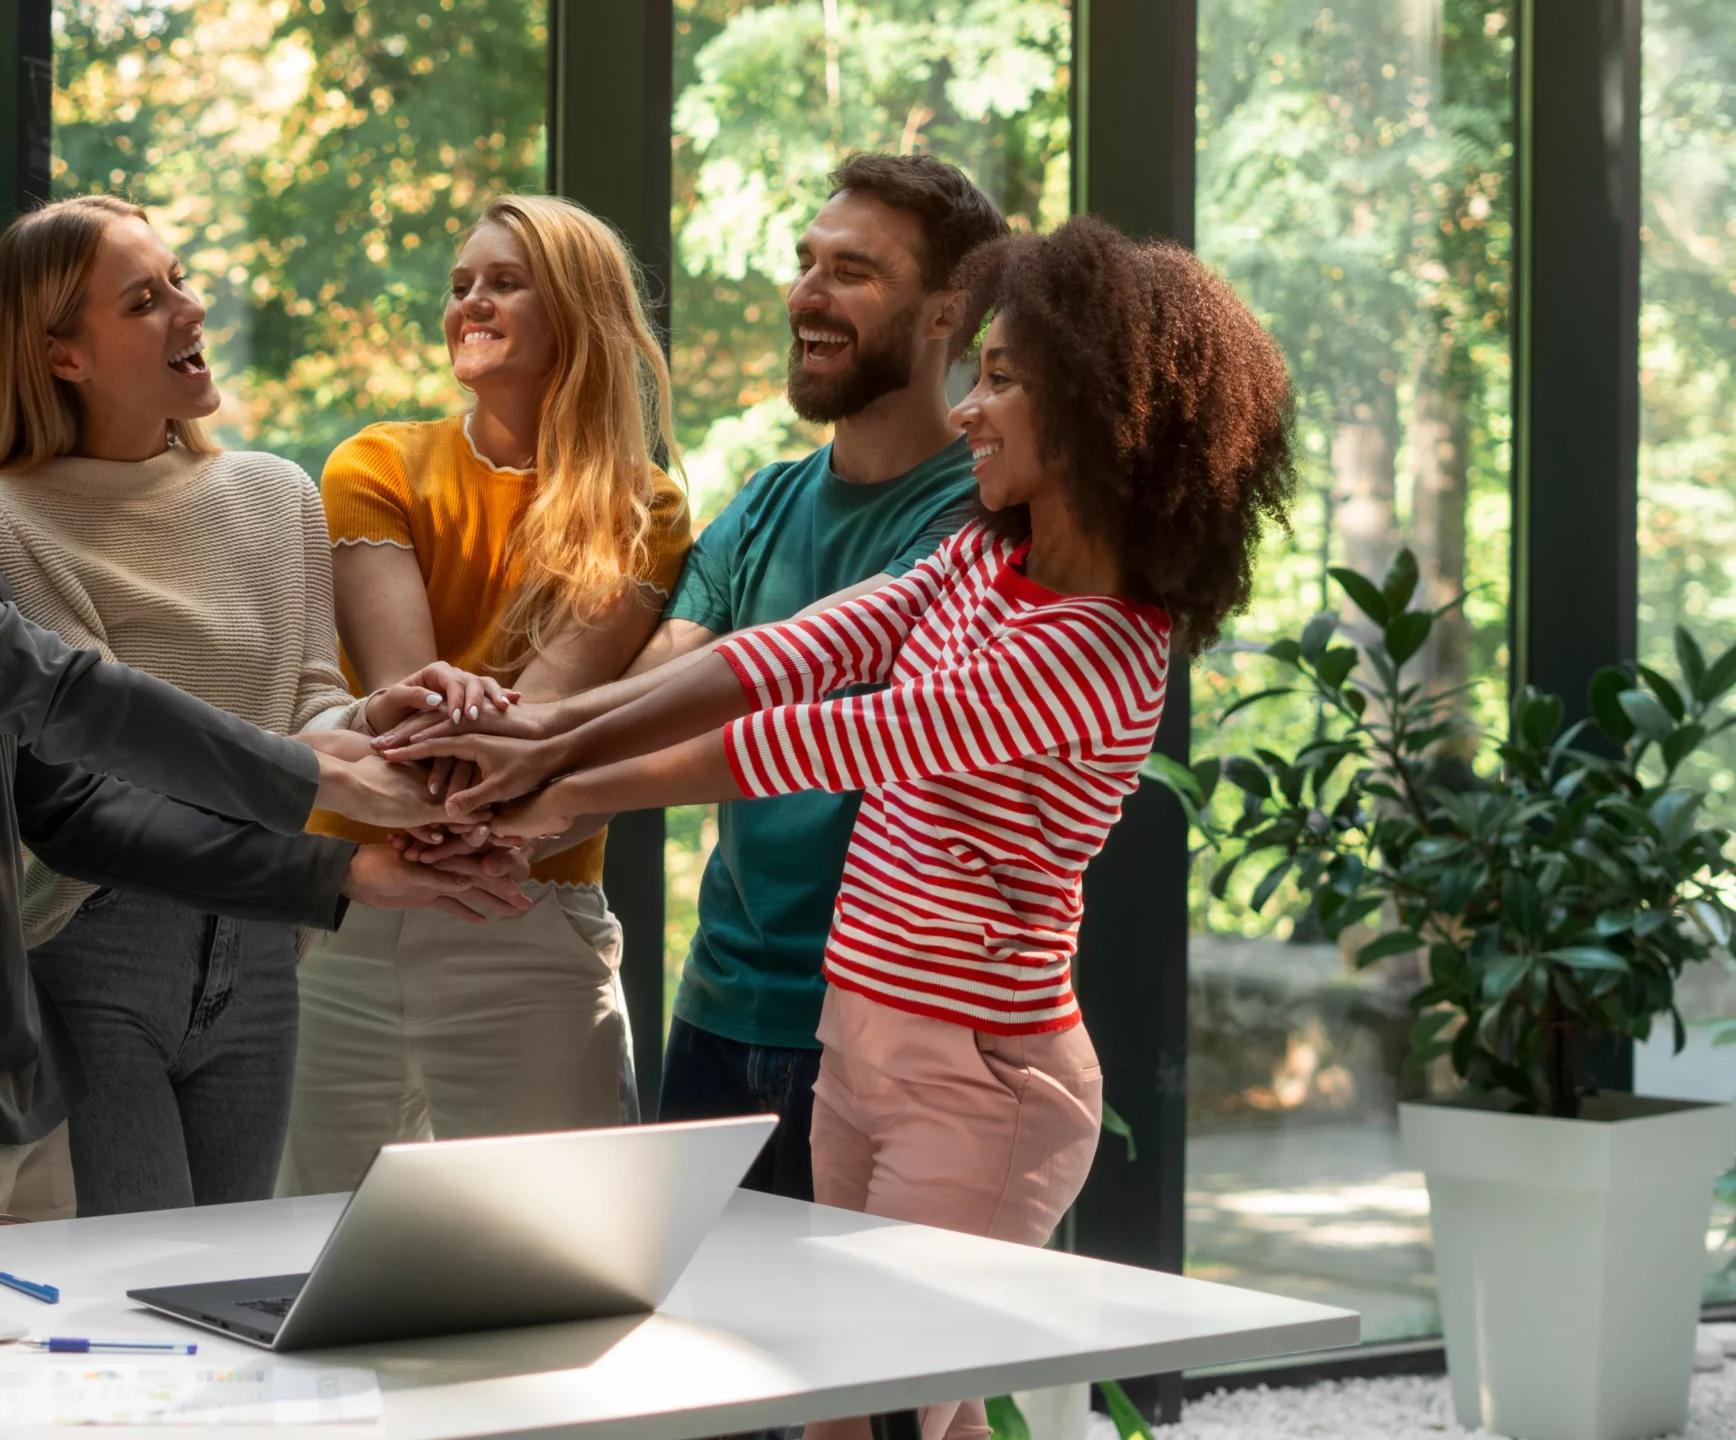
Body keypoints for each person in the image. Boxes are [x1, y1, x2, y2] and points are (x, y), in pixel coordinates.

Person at [391, 216, 1296, 1440]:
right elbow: (803, 649)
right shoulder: (983, 558)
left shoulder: (1097, 643)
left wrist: (556, 782)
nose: (972, 407)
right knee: (877, 1411)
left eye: (1006, 379)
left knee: (875, 1418)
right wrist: (560, 733)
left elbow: (841, 736)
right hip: (858, 1042)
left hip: (976, 1084)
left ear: (1098, 412)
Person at [0, 181, 526, 1232]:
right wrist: (316, 775)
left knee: (102, 1373)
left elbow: (71, 809)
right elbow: (60, 696)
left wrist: (347, 867)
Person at [0, 197, 513, 1216]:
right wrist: (328, 777)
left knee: (233, 1275)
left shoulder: (273, 493)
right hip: (96, 946)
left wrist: (387, 718)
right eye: (144, 299)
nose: (189, 309)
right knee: (135, 1291)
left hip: (262, 948)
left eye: (181, 278)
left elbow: (307, 697)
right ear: (64, 355)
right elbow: (106, 766)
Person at [274, 194, 695, 1195]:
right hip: (349, 921)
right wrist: (465, 780)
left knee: (555, 1254)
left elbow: (540, 729)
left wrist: (484, 803)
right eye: (461, 284)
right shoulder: (375, 463)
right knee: (294, 1248)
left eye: (504, 282)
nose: (470, 301)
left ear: (578, 314)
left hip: (528, 911)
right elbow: (409, 709)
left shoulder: (645, 504)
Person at [627, 152, 1006, 1199]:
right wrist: (506, 748)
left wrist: (555, 774)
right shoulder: (763, 502)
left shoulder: (973, 526)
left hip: (873, 1035)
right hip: (716, 1010)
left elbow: (790, 732)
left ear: (947, 313)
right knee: (697, 1355)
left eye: (853, 271)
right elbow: (660, 688)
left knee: (853, 1355)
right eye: (805, 263)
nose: (806, 296)